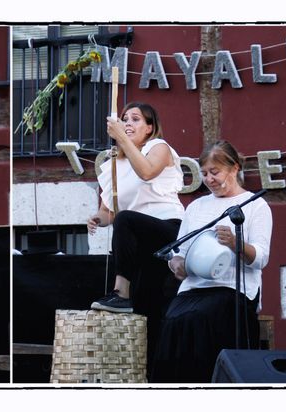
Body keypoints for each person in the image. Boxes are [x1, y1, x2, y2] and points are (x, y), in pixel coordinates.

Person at [151, 140, 273, 383]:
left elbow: (261, 258)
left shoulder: (256, 206)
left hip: (232, 290)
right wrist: (176, 263)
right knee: (172, 320)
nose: (209, 179)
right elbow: (179, 250)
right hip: (194, 288)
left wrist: (236, 244)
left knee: (200, 318)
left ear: (234, 168)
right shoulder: (196, 206)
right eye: (204, 173)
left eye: (214, 172)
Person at [87, 102, 185, 367]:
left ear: (149, 127)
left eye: (135, 119)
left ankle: (120, 293)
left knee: (127, 219)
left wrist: (122, 139)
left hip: (167, 229)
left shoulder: (158, 147)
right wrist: (97, 218)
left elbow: (146, 171)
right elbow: (109, 212)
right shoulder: (112, 166)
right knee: (146, 310)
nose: (128, 123)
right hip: (138, 240)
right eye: (124, 119)